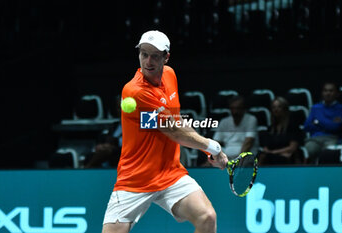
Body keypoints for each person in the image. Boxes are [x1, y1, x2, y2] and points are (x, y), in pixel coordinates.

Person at [102, 30, 228, 233]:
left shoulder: (169, 75)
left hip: (170, 174)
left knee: (207, 217)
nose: (148, 61)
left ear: (166, 57)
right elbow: (174, 131)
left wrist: (206, 151)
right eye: (144, 54)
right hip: (135, 178)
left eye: (155, 55)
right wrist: (214, 148)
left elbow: (177, 122)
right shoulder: (135, 92)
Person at [304, 82, 342, 163]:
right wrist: (329, 123)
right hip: (315, 139)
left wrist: (317, 122)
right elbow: (307, 126)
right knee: (309, 149)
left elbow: (336, 127)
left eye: (331, 91)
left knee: (328, 154)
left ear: (337, 94)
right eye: (325, 91)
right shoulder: (315, 108)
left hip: (332, 139)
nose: (328, 93)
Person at [259, 97, 304, 165]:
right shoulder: (270, 129)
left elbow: (292, 147)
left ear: (285, 109)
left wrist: (274, 152)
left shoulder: (292, 127)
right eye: (274, 107)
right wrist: (271, 152)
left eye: (279, 107)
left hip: (286, 157)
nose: (276, 110)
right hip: (274, 155)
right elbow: (266, 148)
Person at [212, 96, 259, 160]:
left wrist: (238, 161)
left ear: (243, 109)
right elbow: (216, 142)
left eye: (238, 108)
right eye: (233, 108)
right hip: (226, 156)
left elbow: (248, 143)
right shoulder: (224, 121)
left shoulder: (251, 119)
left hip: (245, 157)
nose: (235, 112)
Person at [85, 95, 122, 168]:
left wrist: (112, 147)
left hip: (123, 155)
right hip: (108, 155)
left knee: (107, 152)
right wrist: (102, 146)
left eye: (124, 107)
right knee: (91, 154)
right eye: (118, 107)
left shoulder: (138, 126)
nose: (121, 110)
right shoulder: (114, 126)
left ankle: (86, 169)